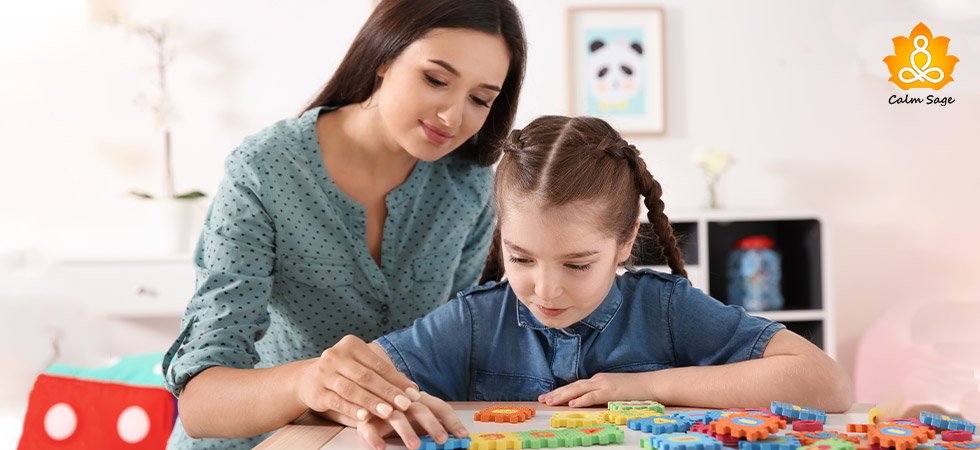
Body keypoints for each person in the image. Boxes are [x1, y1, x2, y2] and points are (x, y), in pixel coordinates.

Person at [325, 115, 854, 450]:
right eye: (522, 258)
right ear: (501, 236)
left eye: (577, 264)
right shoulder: (473, 320)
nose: (545, 290)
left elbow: (826, 383)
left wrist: (647, 387)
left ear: (625, 243)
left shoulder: (666, 309)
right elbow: (334, 394)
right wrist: (375, 403)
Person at [160, 0, 527, 447]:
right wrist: (308, 382)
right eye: (435, 79)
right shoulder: (265, 169)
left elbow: (450, 347)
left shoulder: (468, 187)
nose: (453, 116)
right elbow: (199, 402)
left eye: (479, 99)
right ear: (384, 56)